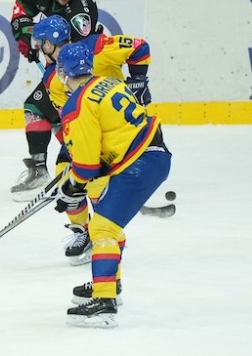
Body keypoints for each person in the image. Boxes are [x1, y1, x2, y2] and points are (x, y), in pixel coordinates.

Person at [52, 42, 171, 328]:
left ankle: (104, 305)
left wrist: (71, 187)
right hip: (149, 154)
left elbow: (86, 166)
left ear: (63, 73)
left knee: (102, 229)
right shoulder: (107, 82)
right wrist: (75, 185)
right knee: (108, 225)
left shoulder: (77, 105)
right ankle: (108, 285)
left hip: (139, 163)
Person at [31, 15, 153, 264]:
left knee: (95, 184)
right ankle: (84, 231)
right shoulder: (52, 77)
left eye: (41, 44)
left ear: (50, 43)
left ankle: (106, 232)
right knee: (65, 175)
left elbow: (140, 48)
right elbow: (70, 117)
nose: (39, 50)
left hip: (115, 130)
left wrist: (138, 81)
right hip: (88, 129)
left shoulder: (96, 47)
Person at [9, 0, 99, 200]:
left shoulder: (81, 12)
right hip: (60, 68)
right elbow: (21, 9)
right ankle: (80, 164)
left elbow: (72, 52)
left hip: (79, 72)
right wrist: (26, 36)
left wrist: (38, 43)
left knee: (38, 109)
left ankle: (66, 167)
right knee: (56, 114)